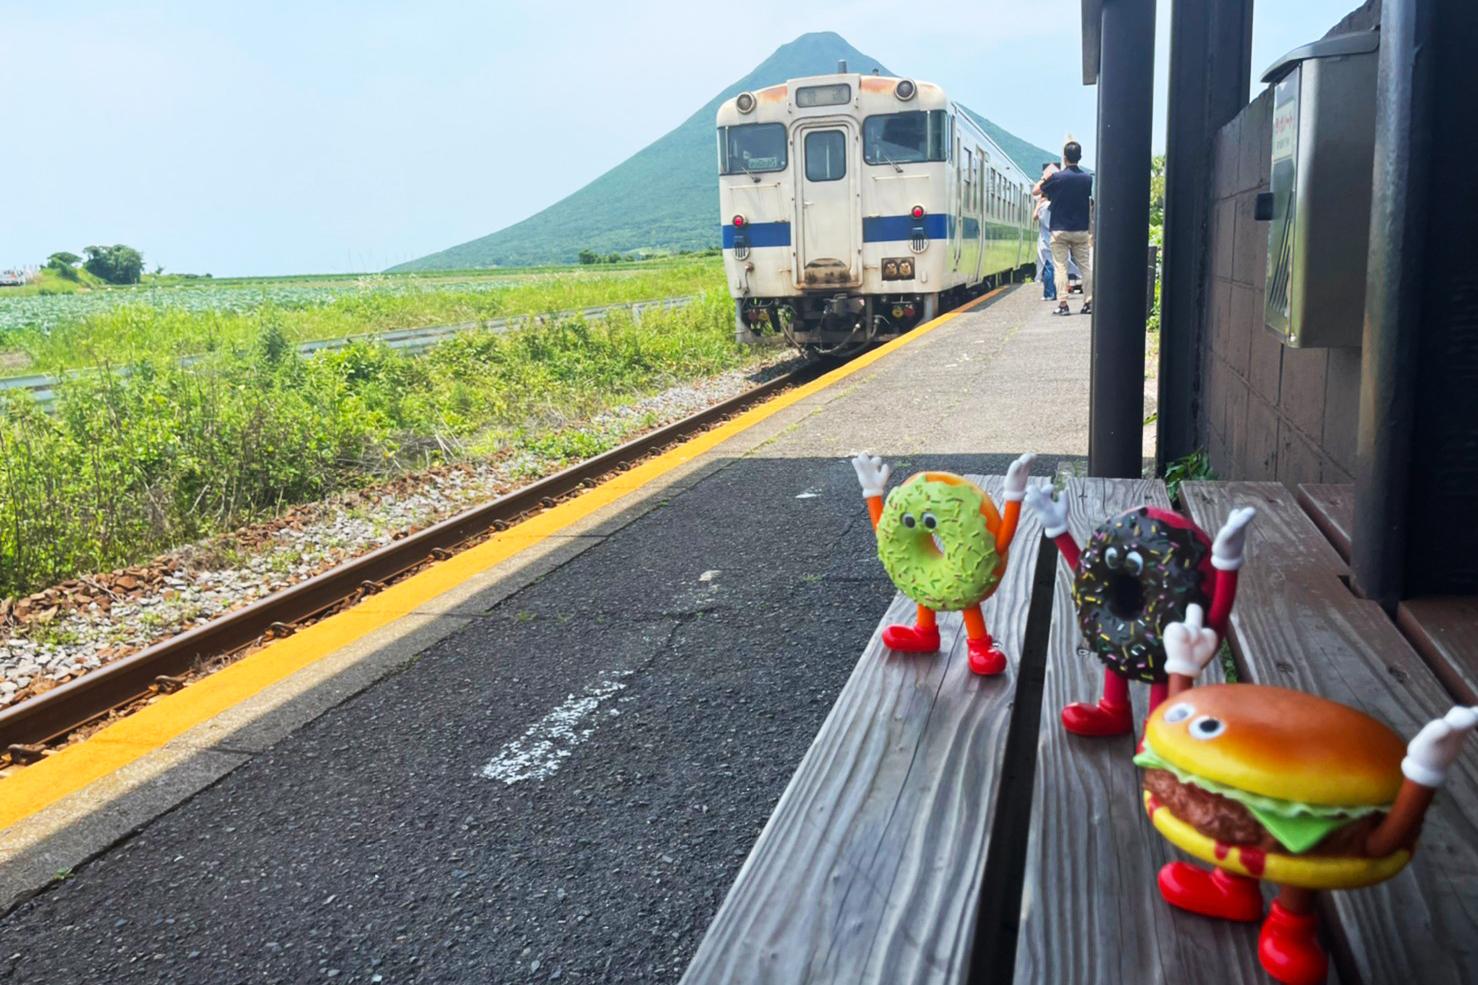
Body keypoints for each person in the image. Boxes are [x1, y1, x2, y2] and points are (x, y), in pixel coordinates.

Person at [1035, 140, 1093, 316]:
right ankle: (1089, 303)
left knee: (1060, 267)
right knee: (1085, 267)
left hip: (1060, 229)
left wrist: (1046, 177)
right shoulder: (1087, 178)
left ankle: (1063, 304)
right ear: (1080, 157)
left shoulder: (1058, 178)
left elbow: (1036, 191)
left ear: (1065, 158)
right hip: (1081, 230)